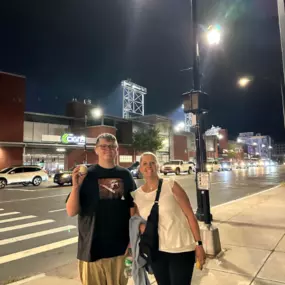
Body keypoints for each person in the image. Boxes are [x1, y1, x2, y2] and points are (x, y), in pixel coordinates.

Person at [66, 133, 136, 285]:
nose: (108, 149)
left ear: (116, 150)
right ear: (96, 150)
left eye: (112, 146)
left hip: (120, 250)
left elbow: (133, 209)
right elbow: (71, 211)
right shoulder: (86, 175)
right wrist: (76, 186)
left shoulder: (125, 175)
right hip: (91, 249)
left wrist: (132, 241)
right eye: (103, 146)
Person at [132, 152, 206, 285]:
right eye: (145, 163)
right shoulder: (137, 195)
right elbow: (135, 220)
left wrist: (199, 244)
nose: (149, 166)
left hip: (181, 248)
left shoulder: (171, 185)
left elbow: (190, 215)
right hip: (156, 251)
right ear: (140, 169)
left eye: (152, 162)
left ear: (157, 166)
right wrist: (141, 227)